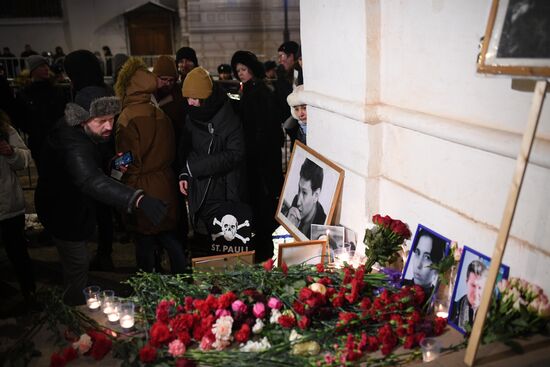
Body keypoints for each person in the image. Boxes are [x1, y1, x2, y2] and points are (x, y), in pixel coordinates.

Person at [35, 84, 168, 305]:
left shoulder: (89, 134)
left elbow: (98, 170)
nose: (109, 126)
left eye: (111, 119)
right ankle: (75, 311)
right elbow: (90, 179)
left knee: (78, 264)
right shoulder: (71, 141)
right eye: (101, 121)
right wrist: (138, 198)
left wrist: (113, 167)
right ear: (82, 119)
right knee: (77, 265)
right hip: (61, 212)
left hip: (76, 208)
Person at [115, 57, 187, 274]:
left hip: (142, 186)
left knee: (145, 241)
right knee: (167, 235)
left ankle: (148, 284)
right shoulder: (159, 113)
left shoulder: (127, 117)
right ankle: (182, 276)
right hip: (165, 181)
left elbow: (127, 159)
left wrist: (120, 183)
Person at [178, 66, 246, 240]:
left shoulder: (228, 116)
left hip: (223, 190)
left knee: (223, 243)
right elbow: (188, 148)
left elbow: (236, 153)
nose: (190, 103)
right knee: (203, 238)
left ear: (206, 97)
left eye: (194, 98)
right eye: (187, 98)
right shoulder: (191, 115)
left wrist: (195, 167)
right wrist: (185, 173)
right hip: (198, 187)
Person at [230, 50, 284, 262]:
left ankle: (265, 248)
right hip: (257, 159)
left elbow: (264, 128)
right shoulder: (252, 90)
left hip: (261, 161)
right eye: (238, 71)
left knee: (264, 204)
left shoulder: (260, 92)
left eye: (243, 69)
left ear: (252, 69)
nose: (240, 74)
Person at [0, 110, 36, 305]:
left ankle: (29, 293)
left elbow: (24, 159)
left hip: (9, 205)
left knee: (18, 253)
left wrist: (11, 153)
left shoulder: (4, 129)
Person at [12, 54, 69, 169]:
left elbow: (64, 112)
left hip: (58, 139)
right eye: (41, 66)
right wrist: (33, 130)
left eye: (46, 65)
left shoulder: (56, 90)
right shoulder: (25, 94)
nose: (46, 68)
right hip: (39, 141)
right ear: (33, 70)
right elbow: (20, 117)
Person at [281, 158, 326, 238]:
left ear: (316, 195)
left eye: (304, 193)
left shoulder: (322, 223)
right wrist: (288, 223)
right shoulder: (296, 200)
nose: (298, 202)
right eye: (299, 190)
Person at [450, 260, 488, 330]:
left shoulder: (488, 314)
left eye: (480, 287)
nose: (476, 292)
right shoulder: (453, 309)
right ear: (466, 282)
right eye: (473, 285)